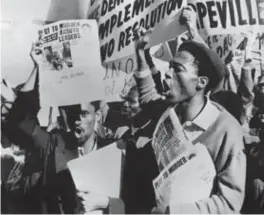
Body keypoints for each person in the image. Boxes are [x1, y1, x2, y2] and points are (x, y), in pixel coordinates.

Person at [132, 6, 246, 214]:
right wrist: (140, 52)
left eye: (177, 70)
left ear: (201, 82)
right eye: (170, 67)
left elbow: (230, 203)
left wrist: (174, 212)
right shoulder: (170, 112)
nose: (167, 75)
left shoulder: (226, 130)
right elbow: (148, 96)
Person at [2, 42, 124, 214]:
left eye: (83, 114)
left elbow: (135, 202)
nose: (76, 120)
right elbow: (20, 122)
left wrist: (106, 203)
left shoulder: (114, 151)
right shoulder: (55, 144)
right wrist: (38, 68)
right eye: (73, 113)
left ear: (97, 115)